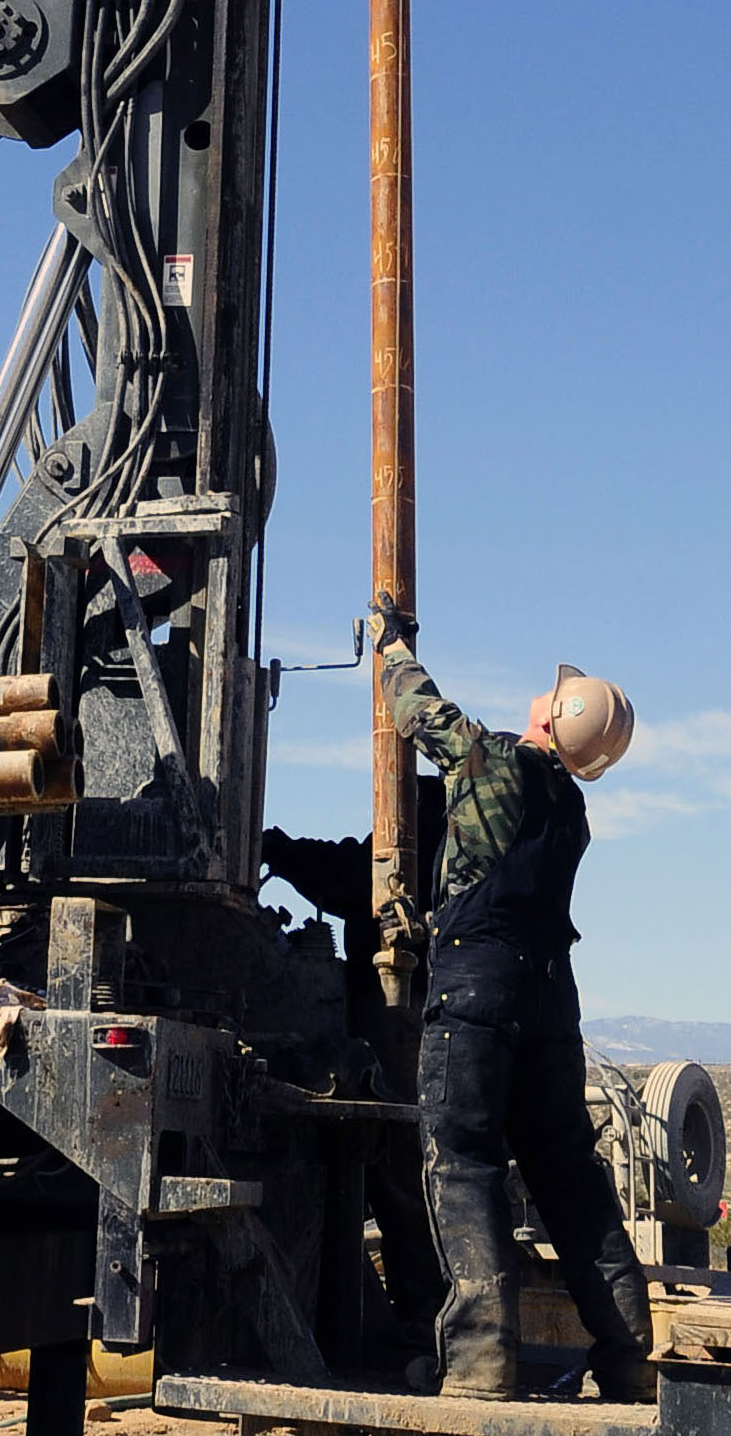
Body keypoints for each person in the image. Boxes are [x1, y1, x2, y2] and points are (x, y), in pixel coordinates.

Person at [366, 596, 654, 1401]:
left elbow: (420, 713)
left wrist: (390, 647)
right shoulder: (574, 808)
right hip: (550, 998)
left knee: (461, 1163)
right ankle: (631, 1355)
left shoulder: (491, 760)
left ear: (555, 716)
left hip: (478, 985)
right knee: (567, 1171)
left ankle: (481, 1359)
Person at [260, 812, 446, 1344]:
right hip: (417, 1014)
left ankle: (423, 1317)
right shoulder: (453, 818)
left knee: (400, 1163)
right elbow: (350, 864)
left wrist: (282, 849)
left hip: (400, 1014)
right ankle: (423, 1312)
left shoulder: (420, 824)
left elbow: (353, 877)